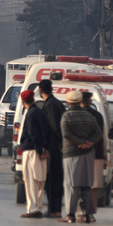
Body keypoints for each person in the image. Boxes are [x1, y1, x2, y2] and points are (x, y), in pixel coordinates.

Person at [59, 90, 103, 224]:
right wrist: (89, 142)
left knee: (71, 185)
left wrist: (80, 143)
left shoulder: (67, 116)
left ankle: (71, 214)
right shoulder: (90, 116)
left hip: (72, 153)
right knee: (86, 184)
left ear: (68, 102)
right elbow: (98, 133)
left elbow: (66, 134)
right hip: (89, 153)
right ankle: (87, 214)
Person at [19, 89, 51, 219]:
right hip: (40, 150)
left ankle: (32, 209)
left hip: (32, 151)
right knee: (39, 181)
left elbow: (33, 134)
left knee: (31, 181)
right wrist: (45, 149)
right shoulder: (40, 112)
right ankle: (38, 208)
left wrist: (40, 151)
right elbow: (46, 133)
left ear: (23, 101)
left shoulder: (30, 114)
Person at [38, 79, 66, 218]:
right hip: (57, 148)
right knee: (55, 179)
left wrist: (48, 147)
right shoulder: (56, 103)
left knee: (52, 180)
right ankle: (54, 209)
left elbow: (54, 128)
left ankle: (54, 209)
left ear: (40, 90)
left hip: (54, 149)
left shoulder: (50, 105)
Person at [79, 91, 106, 221]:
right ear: (90, 101)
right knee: (93, 186)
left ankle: (80, 212)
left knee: (80, 183)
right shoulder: (98, 116)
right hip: (96, 154)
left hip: (79, 153)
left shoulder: (76, 115)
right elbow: (102, 136)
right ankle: (90, 212)